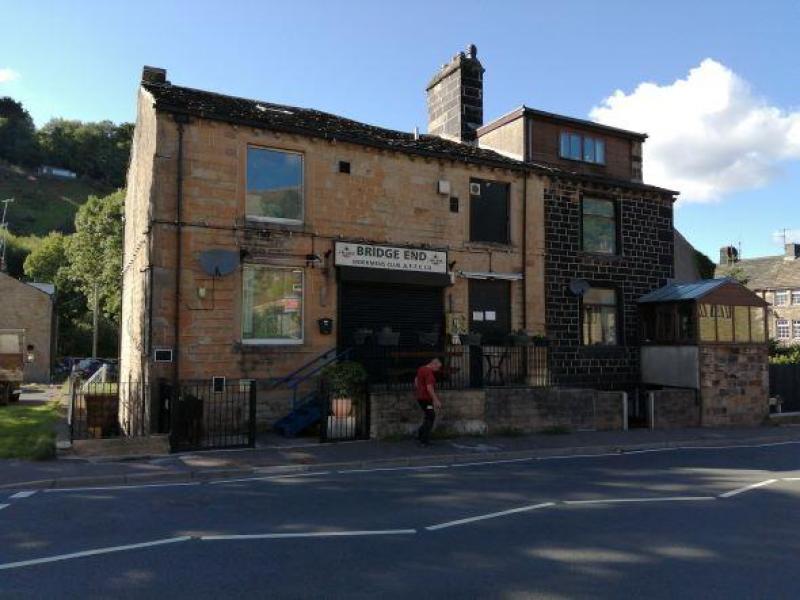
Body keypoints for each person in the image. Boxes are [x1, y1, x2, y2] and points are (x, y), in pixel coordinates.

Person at [415, 357, 442, 446]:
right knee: (431, 416)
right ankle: (424, 439)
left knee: (428, 416)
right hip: (426, 399)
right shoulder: (429, 373)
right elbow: (429, 388)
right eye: (437, 367)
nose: (438, 370)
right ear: (433, 364)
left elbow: (416, 380)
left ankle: (420, 434)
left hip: (420, 397)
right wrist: (436, 400)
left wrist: (418, 389)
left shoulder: (421, 369)